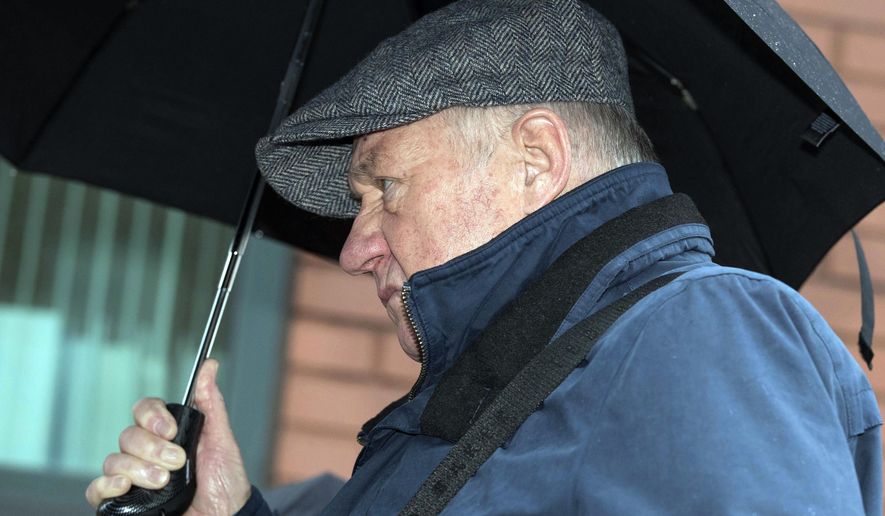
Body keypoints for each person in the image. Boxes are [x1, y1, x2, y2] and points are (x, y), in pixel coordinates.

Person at [86, 0, 883, 514]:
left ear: (534, 159)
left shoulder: (702, 331)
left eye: (384, 187)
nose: (356, 249)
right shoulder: (489, 399)